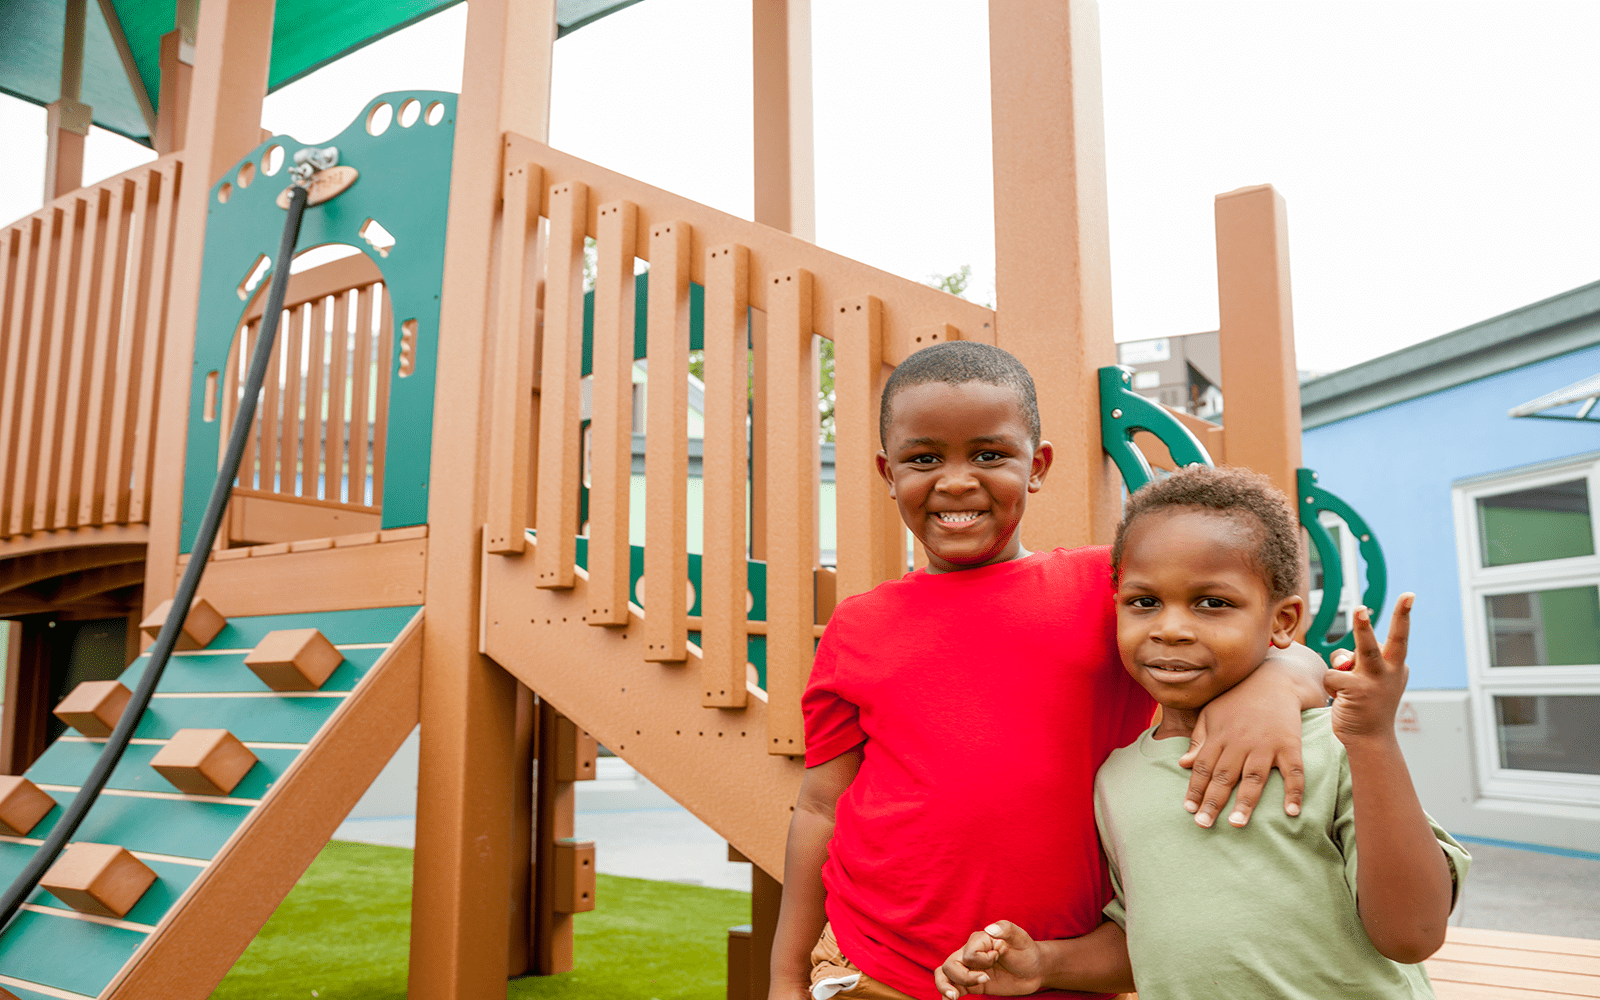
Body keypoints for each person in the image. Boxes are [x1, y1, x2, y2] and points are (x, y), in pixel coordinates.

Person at [772, 343, 1328, 1000]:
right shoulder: (857, 626)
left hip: (1060, 971)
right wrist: (783, 975)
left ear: (1036, 467)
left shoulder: (1110, 587)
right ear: (887, 472)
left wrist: (1273, 685)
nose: (955, 481)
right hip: (875, 968)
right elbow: (819, 806)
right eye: (924, 458)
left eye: (988, 454)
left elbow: (1286, 648)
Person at [935, 465, 1470, 999]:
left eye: (1212, 603)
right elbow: (1150, 938)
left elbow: (1413, 934)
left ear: (1282, 621)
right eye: (1144, 602)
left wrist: (1374, 740)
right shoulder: (1117, 779)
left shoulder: (1332, 748)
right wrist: (1046, 965)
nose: (1170, 628)